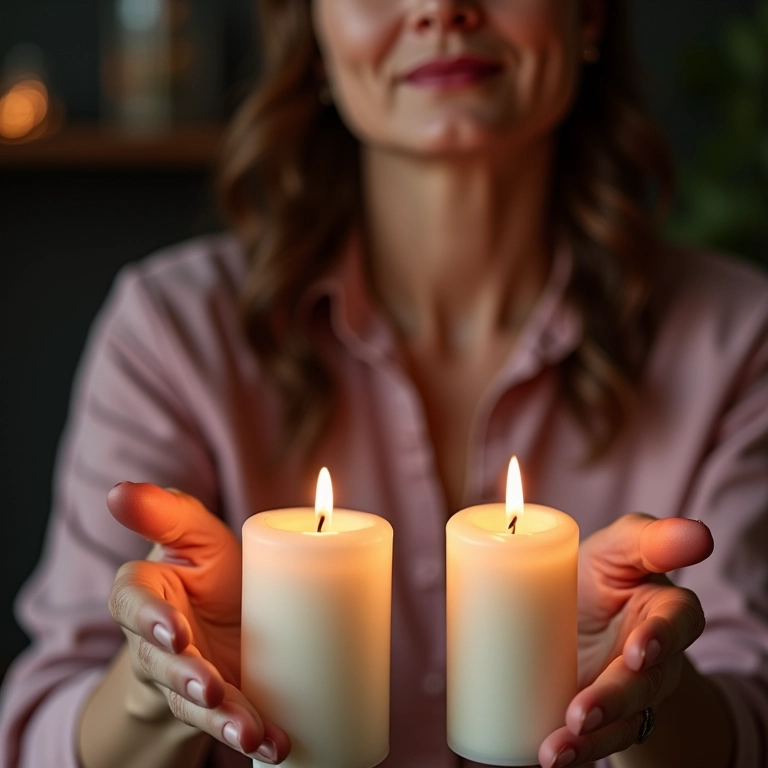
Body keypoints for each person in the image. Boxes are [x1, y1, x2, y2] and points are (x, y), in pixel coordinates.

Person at [1, 1, 767, 766]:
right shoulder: (173, 331)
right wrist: (156, 683)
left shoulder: (736, 335)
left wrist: (646, 684)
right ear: (314, 33)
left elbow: (753, 709)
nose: (440, 8)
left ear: (588, 15)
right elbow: (38, 733)